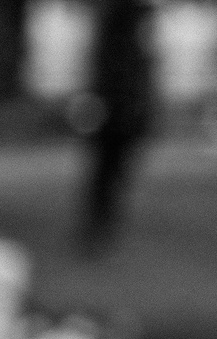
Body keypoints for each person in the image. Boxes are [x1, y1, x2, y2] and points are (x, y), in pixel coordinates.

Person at [77, 0, 157, 254]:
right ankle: (98, 226)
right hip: (117, 117)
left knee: (109, 173)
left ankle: (101, 224)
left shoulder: (127, 45)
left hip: (121, 117)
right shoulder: (123, 45)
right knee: (107, 173)